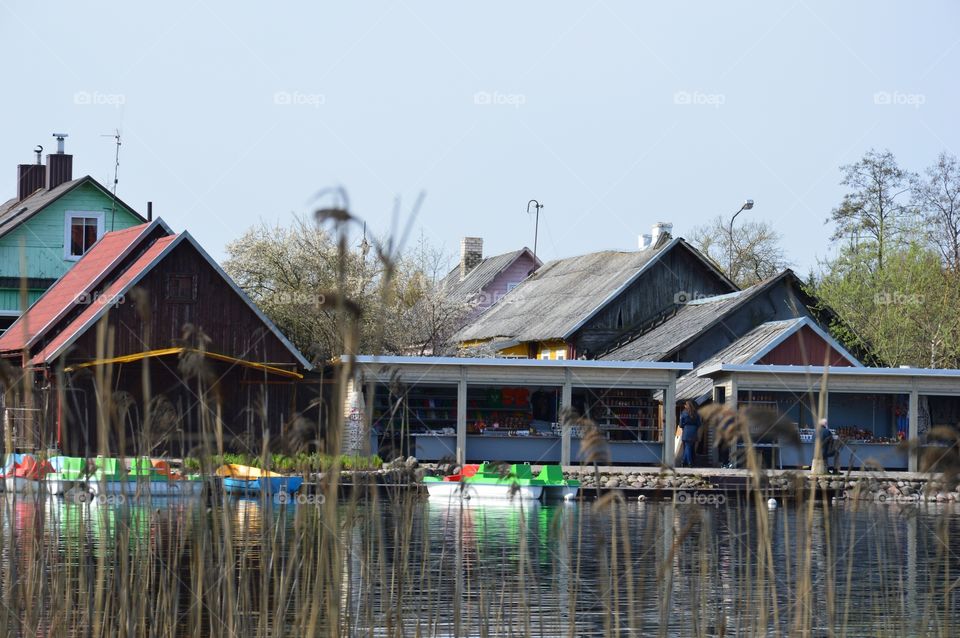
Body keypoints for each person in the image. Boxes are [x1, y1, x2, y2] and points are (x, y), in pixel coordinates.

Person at [680, 400, 702, 467]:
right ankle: (683, 461)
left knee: (688, 447)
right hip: (694, 431)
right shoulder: (696, 413)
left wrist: (684, 425)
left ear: (687, 406)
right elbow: (699, 424)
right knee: (689, 447)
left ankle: (689, 462)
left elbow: (680, 424)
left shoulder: (683, 413)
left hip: (686, 431)